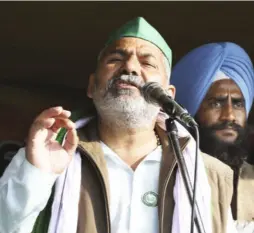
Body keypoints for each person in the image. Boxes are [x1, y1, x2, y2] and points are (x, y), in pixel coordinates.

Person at [0, 17, 235, 233]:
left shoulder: (209, 174)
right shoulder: (48, 155)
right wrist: (37, 174)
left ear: (169, 94)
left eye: (147, 63)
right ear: (92, 86)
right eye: (115, 59)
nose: (130, 68)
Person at [171, 42, 254, 231]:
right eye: (216, 103)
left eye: (238, 104)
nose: (230, 115)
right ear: (191, 112)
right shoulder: (170, 176)